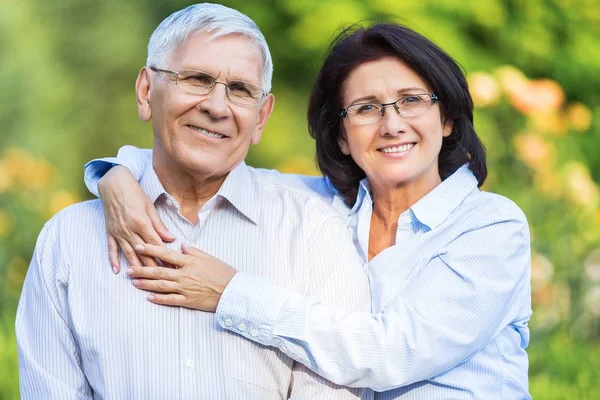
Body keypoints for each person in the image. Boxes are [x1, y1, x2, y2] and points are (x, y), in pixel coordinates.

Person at [85, 23, 532, 399]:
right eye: (366, 108)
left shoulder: (491, 227)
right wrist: (118, 174)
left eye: (412, 100)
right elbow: (213, 167)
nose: (392, 123)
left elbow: (391, 353)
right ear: (340, 136)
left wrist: (230, 292)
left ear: (447, 118)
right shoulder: (320, 207)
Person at [16, 4, 370, 399]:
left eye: (240, 90)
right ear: (146, 91)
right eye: (197, 79)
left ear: (261, 117)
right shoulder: (69, 241)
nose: (217, 107)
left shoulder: (312, 234)